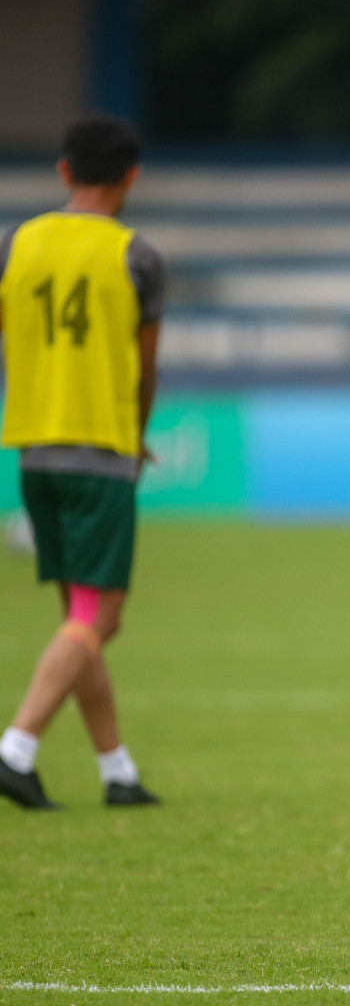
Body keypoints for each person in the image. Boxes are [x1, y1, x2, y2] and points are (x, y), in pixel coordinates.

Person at [0, 116, 163, 810]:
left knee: (85, 611)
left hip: (35, 446)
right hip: (100, 449)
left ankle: (117, 772)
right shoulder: (136, 256)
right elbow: (145, 368)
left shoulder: (16, 243)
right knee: (98, 616)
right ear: (130, 177)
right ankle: (16, 746)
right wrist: (137, 433)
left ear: (64, 172)